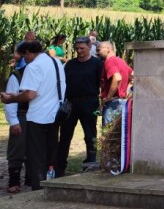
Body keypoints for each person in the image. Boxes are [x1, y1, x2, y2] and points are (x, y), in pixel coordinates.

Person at [0, 40, 65, 191]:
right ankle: (50, 184)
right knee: (51, 155)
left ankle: (38, 188)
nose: (24, 59)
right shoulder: (56, 63)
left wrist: (11, 98)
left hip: (38, 117)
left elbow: (30, 94)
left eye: (24, 55)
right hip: (55, 115)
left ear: (29, 53)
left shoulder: (33, 66)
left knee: (36, 157)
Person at [56, 37, 102, 177]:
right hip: (71, 103)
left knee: (90, 135)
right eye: (77, 48)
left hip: (89, 101)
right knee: (65, 136)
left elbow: (101, 82)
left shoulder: (97, 64)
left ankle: (90, 163)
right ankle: (60, 166)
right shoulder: (70, 64)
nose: (79, 51)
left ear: (89, 47)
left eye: (82, 48)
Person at [4, 46, 28, 193]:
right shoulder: (17, 76)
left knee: (34, 150)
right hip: (21, 116)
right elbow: (10, 100)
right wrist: (14, 121)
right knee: (17, 150)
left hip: (37, 116)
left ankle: (32, 178)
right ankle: (14, 181)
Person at [97, 41, 133, 126]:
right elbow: (132, 76)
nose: (97, 53)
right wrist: (127, 91)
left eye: (99, 50)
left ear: (108, 49)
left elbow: (117, 77)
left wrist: (109, 97)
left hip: (113, 104)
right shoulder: (121, 61)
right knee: (119, 135)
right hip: (122, 103)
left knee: (108, 135)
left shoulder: (109, 61)